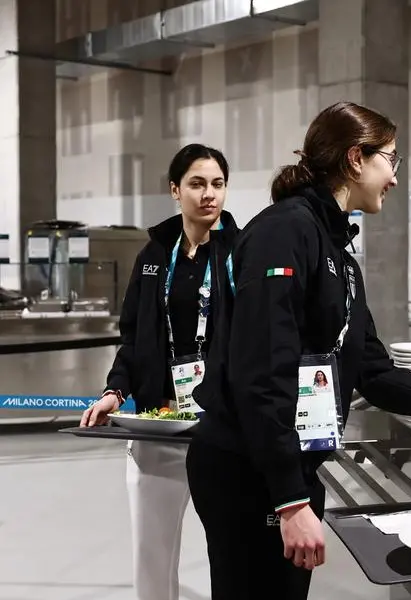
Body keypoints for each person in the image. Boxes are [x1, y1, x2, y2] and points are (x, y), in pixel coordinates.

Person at [185, 101, 411, 600]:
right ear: (356, 159)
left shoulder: (339, 254)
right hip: (245, 469)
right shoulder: (285, 231)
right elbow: (261, 374)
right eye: (391, 159)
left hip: (287, 464)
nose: (394, 177)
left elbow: (374, 372)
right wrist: (289, 500)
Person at [80, 144, 239, 600]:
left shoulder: (241, 252)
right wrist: (115, 391)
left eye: (217, 184)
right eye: (196, 183)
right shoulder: (153, 255)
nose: (209, 194)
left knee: (232, 558)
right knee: (151, 559)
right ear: (174, 190)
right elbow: (133, 336)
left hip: (222, 431)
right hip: (159, 425)